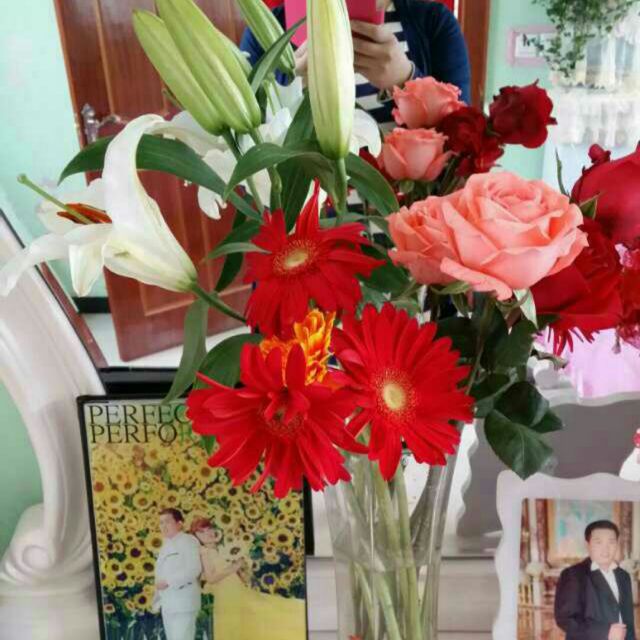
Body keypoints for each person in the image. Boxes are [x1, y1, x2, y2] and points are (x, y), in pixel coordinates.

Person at [240, 0, 471, 130]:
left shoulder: (435, 24)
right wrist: (294, 91)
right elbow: (246, 147)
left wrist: (407, 80)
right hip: (309, 202)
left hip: (410, 202)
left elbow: (465, 139)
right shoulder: (264, 33)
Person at [190, 517, 306, 640]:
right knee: (238, 627)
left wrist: (241, 568)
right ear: (196, 537)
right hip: (227, 596)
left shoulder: (221, 548)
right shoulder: (205, 552)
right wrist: (234, 567)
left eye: (209, 529)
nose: (207, 533)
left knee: (256, 620)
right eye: (201, 532)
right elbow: (210, 578)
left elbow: (235, 574)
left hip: (238, 591)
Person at [554, 520, 636, 640]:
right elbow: (565, 619)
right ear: (588, 545)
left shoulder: (624, 576)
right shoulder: (574, 574)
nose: (605, 549)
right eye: (598, 542)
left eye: (611, 542)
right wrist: (605, 632)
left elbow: (628, 622)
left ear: (617, 544)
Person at [153, 508, 203, 640]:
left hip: (183, 603)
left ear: (179, 523)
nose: (163, 526)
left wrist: (168, 582)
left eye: (167, 522)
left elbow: (194, 569)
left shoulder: (188, 541)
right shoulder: (165, 545)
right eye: (161, 522)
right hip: (168, 604)